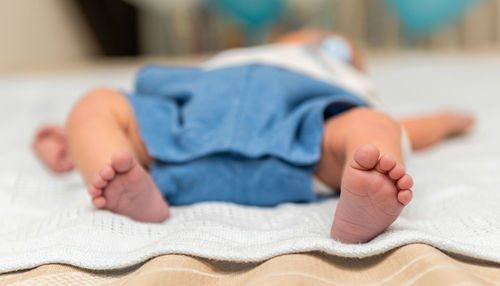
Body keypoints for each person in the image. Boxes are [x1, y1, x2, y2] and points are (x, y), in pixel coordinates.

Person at [32, 29, 474, 244]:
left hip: (301, 129)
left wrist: (447, 121)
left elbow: (409, 127)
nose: (319, 41)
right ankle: (120, 174)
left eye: (337, 47)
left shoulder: (331, 83)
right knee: (97, 103)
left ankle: (366, 191)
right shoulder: (230, 61)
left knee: (372, 130)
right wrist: (73, 137)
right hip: (190, 124)